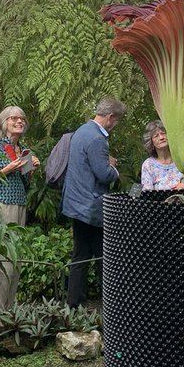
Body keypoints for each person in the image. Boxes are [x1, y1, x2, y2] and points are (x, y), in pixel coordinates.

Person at [0, 106, 40, 326]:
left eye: (22, 118)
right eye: (15, 118)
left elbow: (24, 184)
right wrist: (7, 169)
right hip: (1, 206)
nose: (20, 121)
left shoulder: (24, 150)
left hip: (19, 206)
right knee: (1, 261)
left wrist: (30, 170)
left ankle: (9, 318)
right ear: (5, 122)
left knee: (15, 262)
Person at [61, 96, 125, 307]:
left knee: (80, 256)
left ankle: (74, 305)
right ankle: (112, 304)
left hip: (76, 203)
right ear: (110, 116)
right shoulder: (97, 138)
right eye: (117, 120)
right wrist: (113, 167)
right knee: (102, 257)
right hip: (91, 207)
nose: (116, 125)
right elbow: (104, 174)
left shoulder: (81, 131)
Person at [140, 120, 184, 192]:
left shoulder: (181, 159)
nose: (161, 137)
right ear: (151, 142)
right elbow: (146, 194)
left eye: (163, 133)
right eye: (156, 136)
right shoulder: (148, 165)